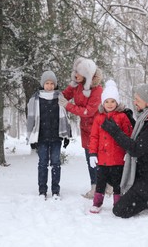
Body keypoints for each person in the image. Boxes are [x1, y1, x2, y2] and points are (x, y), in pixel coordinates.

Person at [101, 82, 148, 218]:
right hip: (146, 170)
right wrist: (130, 119)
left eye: (137, 99)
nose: (134, 102)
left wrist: (114, 131)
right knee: (119, 181)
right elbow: (144, 137)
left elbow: (136, 149)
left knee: (120, 210)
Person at [58, 57, 103, 199]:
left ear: (87, 75)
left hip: (98, 130)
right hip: (85, 129)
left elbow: (88, 111)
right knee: (89, 159)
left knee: (98, 159)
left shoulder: (97, 90)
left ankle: (104, 186)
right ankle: (95, 187)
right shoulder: (76, 86)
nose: (75, 74)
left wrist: (67, 105)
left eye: (78, 72)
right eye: (75, 71)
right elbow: (63, 95)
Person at [88, 80, 133, 213]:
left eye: (112, 101)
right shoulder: (98, 118)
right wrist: (92, 153)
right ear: (103, 103)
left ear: (117, 102)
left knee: (117, 183)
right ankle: (97, 203)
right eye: (107, 101)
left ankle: (117, 203)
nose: (109, 104)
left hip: (118, 158)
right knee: (100, 182)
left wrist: (127, 152)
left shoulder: (122, 117)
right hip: (102, 159)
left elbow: (128, 135)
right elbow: (94, 137)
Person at [27, 70, 71, 200]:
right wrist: (31, 138)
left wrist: (67, 135)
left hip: (56, 137)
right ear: (43, 84)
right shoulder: (35, 99)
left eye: (52, 83)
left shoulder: (60, 98)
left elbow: (65, 118)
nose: (50, 86)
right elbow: (31, 120)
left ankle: (56, 190)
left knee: (56, 163)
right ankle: (42, 190)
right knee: (42, 163)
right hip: (41, 137)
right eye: (47, 83)